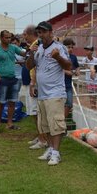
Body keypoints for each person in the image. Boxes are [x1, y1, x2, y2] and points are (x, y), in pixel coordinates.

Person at [26, 21, 71, 166]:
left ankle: (56, 153)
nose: (41, 35)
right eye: (39, 32)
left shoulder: (59, 47)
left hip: (55, 93)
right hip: (42, 93)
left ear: (51, 33)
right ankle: (51, 149)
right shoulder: (38, 48)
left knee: (56, 124)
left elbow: (69, 66)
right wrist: (31, 53)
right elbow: (29, 66)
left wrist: (58, 57)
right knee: (45, 125)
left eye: (44, 32)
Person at [0, 30, 26, 130]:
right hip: (2, 79)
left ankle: (9, 123)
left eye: (9, 37)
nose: (8, 39)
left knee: (12, 102)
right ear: (1, 38)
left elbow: (23, 54)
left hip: (13, 78)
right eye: (6, 37)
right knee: (1, 102)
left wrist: (31, 48)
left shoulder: (13, 47)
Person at [22, 25, 48, 150]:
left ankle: (43, 139)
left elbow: (36, 66)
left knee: (37, 112)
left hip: (35, 83)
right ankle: (40, 136)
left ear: (30, 33)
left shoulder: (37, 45)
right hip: (30, 82)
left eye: (24, 34)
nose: (23, 37)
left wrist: (33, 82)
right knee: (33, 112)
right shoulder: (33, 46)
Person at [62, 38, 80, 119]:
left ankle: (63, 120)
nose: (71, 49)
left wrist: (77, 71)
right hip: (60, 84)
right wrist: (67, 72)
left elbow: (77, 66)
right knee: (60, 104)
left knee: (69, 103)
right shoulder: (60, 56)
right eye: (69, 47)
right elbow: (58, 69)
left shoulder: (73, 57)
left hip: (68, 84)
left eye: (72, 47)